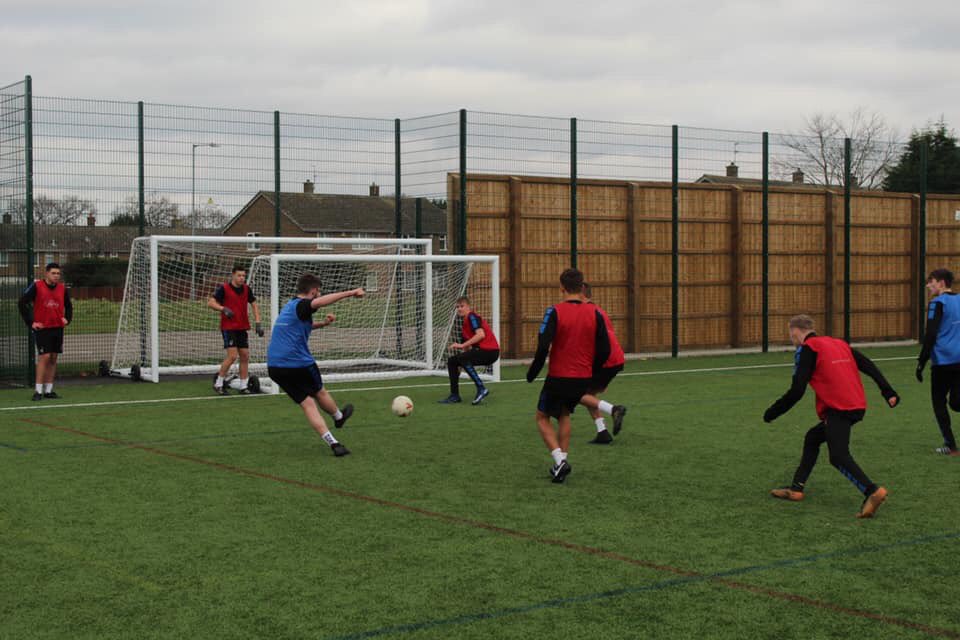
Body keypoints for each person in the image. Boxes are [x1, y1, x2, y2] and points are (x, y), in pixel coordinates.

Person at [762, 315, 899, 519]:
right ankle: (797, 488)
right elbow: (868, 364)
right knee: (813, 438)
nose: (791, 340)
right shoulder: (838, 343)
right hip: (856, 405)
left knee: (838, 456)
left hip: (839, 408)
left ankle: (872, 491)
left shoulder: (808, 349)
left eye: (791, 336)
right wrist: (888, 391)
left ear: (795, 332)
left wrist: (772, 412)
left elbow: (797, 390)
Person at [526, 268, 610, 483]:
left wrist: (533, 372)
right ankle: (560, 464)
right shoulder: (595, 313)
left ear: (561, 287)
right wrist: (594, 374)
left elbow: (544, 345)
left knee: (542, 417)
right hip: (582, 378)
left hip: (558, 376)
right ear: (582, 287)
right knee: (564, 414)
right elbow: (605, 349)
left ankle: (559, 460)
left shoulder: (554, 311)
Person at [266, 274, 363, 457]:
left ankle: (334, 443)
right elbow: (319, 303)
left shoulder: (290, 306)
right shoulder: (304, 305)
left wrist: (323, 324)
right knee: (320, 392)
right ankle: (338, 417)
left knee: (308, 404)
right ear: (313, 291)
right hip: (297, 364)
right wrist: (351, 292)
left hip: (275, 367)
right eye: (318, 292)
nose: (319, 295)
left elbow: (299, 327)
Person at [915, 268, 960, 456]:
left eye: (930, 281)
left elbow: (931, 334)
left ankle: (951, 446)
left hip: (942, 361)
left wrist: (921, 362)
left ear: (941, 283)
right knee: (957, 403)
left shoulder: (937, 303)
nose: (927, 285)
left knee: (939, 402)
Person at [578, 282, 627, 444]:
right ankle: (602, 432)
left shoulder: (584, 311)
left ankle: (613, 409)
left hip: (605, 359)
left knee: (576, 393)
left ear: (581, 293)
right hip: (615, 358)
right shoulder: (599, 310)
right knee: (589, 395)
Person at [18, 262, 72, 401]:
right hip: (42, 328)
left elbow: (68, 306)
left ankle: (48, 390)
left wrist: (67, 318)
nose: (56, 276)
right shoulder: (37, 286)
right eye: (53, 273)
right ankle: (38, 391)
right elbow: (22, 302)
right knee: (45, 357)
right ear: (46, 273)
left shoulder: (62, 288)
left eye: (58, 273)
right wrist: (31, 322)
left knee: (53, 357)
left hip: (57, 328)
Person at [207, 265, 263, 395]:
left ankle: (244, 386)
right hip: (228, 327)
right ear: (233, 275)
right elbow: (210, 303)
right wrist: (223, 309)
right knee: (232, 356)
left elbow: (254, 304)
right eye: (239, 275)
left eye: (243, 276)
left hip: (242, 327)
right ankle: (219, 383)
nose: (242, 278)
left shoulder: (246, 289)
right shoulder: (224, 289)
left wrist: (258, 322)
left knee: (245, 355)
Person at [438, 296, 500, 405]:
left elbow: (480, 335)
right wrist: (460, 366)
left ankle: (481, 388)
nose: (459, 309)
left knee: (461, 358)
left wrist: (462, 346)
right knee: (452, 361)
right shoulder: (465, 325)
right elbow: (466, 350)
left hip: (490, 351)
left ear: (468, 306)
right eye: (457, 307)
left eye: (462, 306)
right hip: (484, 351)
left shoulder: (472, 317)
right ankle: (454, 395)